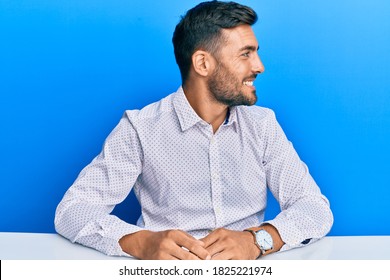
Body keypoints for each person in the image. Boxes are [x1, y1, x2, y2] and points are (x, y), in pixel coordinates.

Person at [55, 0, 333, 260]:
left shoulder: (262, 126)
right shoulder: (141, 127)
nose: (259, 66)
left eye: (256, 53)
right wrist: (141, 242)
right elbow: (72, 210)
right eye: (245, 54)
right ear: (202, 63)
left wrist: (256, 240)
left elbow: (315, 208)